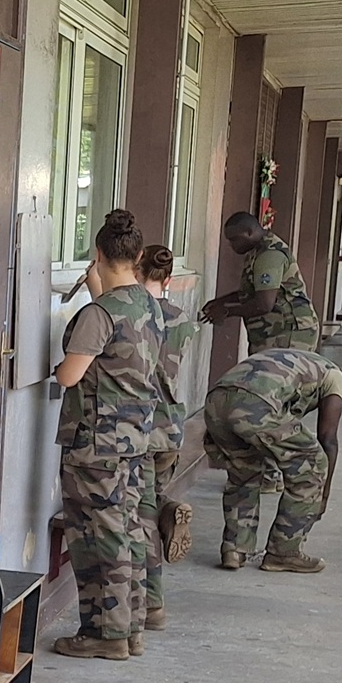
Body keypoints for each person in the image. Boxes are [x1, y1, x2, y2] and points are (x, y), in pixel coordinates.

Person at [51, 209, 161, 661]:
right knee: (128, 531)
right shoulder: (148, 303)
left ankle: (105, 634)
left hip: (96, 445)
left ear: (97, 254)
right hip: (133, 440)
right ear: (136, 257)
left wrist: (59, 363)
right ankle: (130, 627)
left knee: (100, 539)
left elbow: (69, 377)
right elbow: (115, 319)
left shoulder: (98, 315)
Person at [202, 343, 342, 573]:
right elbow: (328, 439)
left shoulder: (293, 361)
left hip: (216, 402)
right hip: (257, 404)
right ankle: (283, 552)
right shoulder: (333, 376)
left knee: (243, 474)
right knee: (312, 464)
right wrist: (323, 494)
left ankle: (234, 549)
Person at [137, 243, 194, 630]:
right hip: (171, 427)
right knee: (151, 505)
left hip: (139, 429)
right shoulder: (181, 319)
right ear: (169, 279)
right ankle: (167, 510)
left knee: (139, 518)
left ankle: (152, 603)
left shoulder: (134, 316)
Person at [200, 210, 319, 354]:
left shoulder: (269, 255)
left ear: (249, 232)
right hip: (275, 332)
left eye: (234, 239)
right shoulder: (257, 251)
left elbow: (264, 304)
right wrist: (221, 301)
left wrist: (226, 311)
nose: (231, 245)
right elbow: (251, 292)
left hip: (288, 334)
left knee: (272, 376)